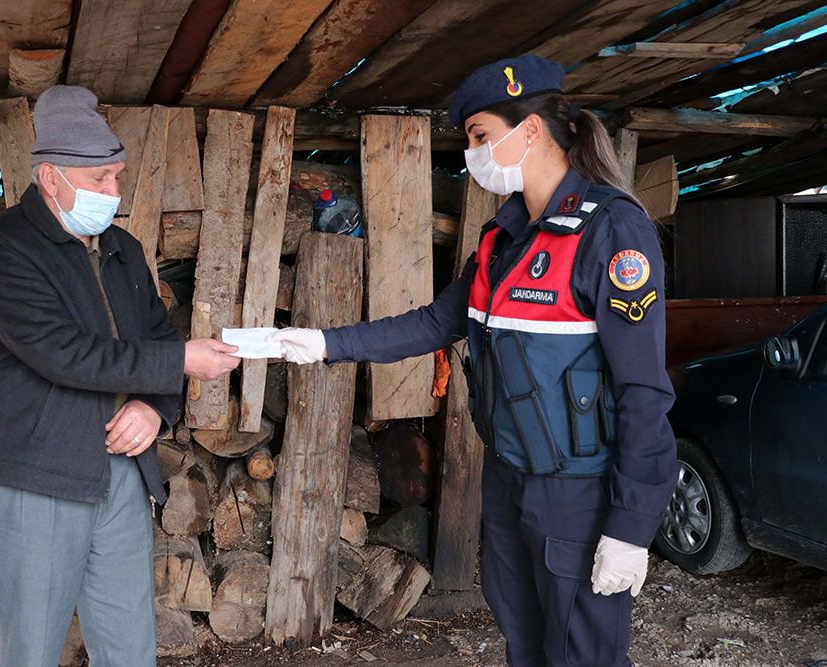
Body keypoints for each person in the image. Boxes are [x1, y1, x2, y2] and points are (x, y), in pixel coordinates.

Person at [272, 55, 677, 667]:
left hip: (579, 490)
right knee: (525, 641)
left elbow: (645, 390)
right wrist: (327, 344)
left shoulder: (610, 231)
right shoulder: (502, 239)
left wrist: (630, 525)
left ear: (532, 130)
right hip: (509, 479)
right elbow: (437, 323)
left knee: (584, 653)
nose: (474, 156)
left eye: (481, 136)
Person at [0, 85, 239, 666]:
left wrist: (151, 406)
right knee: (30, 651)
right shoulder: (4, 245)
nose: (115, 193)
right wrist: (180, 364)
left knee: (129, 648)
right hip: (37, 481)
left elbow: (158, 339)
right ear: (51, 179)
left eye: (117, 176)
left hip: (119, 474)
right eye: (100, 181)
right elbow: (59, 352)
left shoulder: (123, 248)